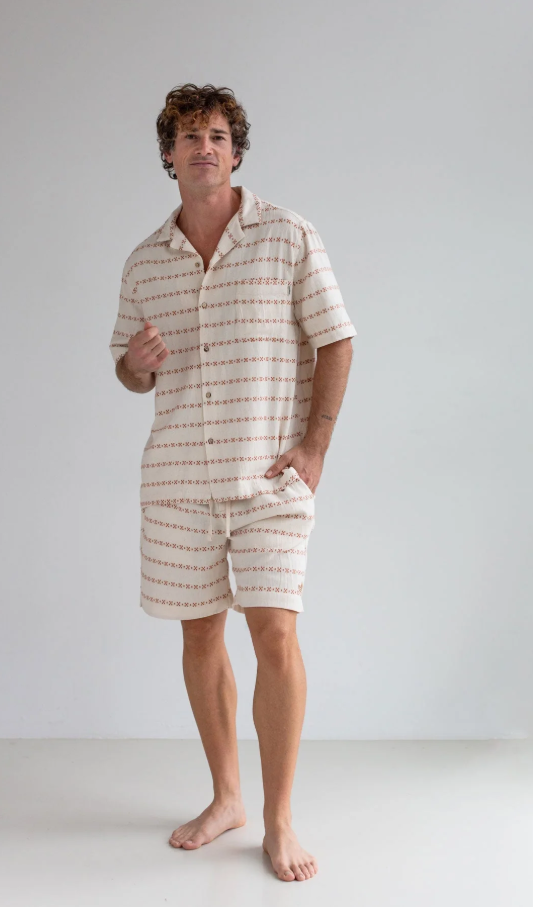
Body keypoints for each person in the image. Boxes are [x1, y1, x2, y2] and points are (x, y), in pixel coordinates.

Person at [109, 83, 356, 882]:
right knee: (198, 635)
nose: (203, 147)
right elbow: (128, 372)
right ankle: (226, 797)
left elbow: (336, 340)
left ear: (236, 153)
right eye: (188, 136)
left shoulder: (287, 235)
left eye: (216, 135)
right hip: (178, 478)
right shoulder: (144, 261)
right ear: (168, 155)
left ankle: (279, 817)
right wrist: (134, 364)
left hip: (268, 476)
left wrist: (315, 445)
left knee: (274, 633)